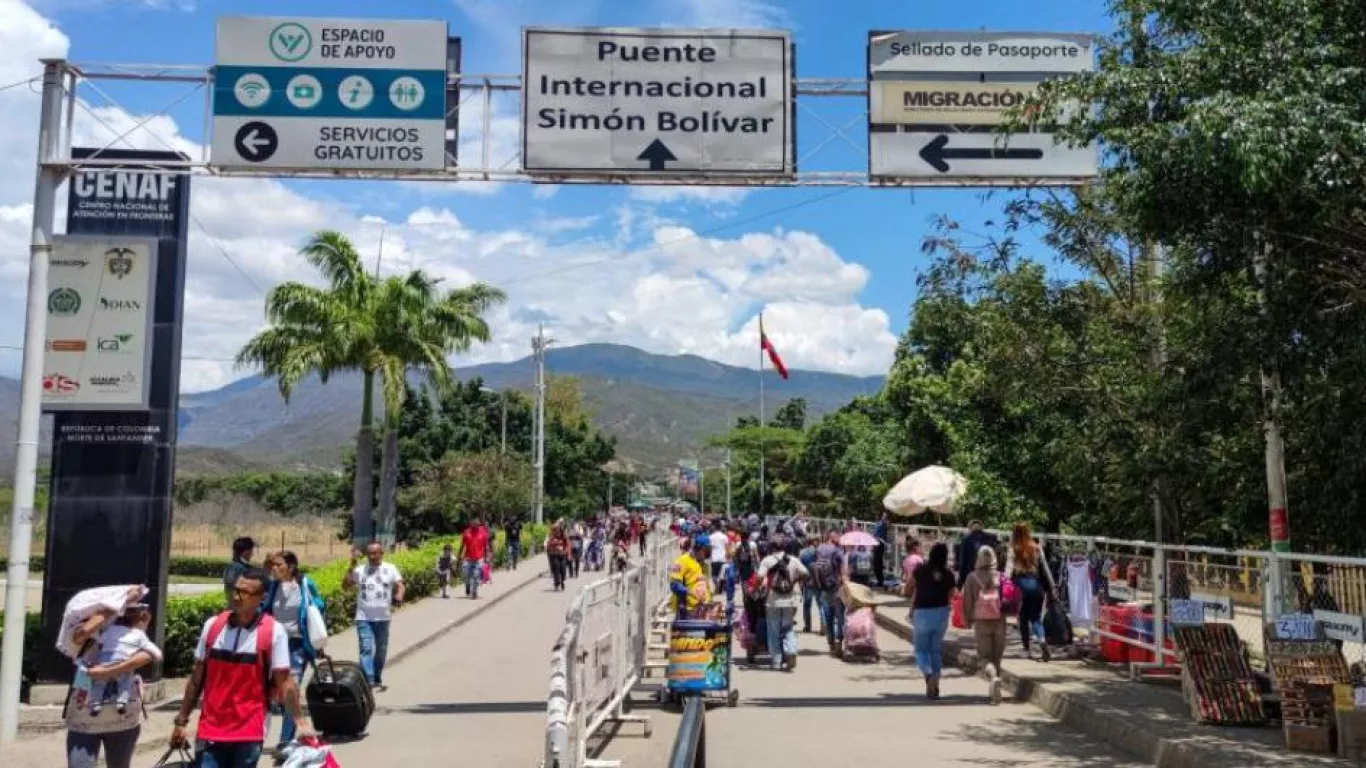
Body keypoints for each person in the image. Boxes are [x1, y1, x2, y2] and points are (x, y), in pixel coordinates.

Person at [171, 569, 310, 768]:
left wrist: (301, 722)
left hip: (250, 730)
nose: (237, 596)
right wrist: (181, 721)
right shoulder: (213, 626)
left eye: (245, 593)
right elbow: (197, 678)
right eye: (236, 590)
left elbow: (284, 682)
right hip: (211, 729)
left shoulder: (273, 632)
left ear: (261, 598)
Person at [65, 588, 159, 768]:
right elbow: (81, 635)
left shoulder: (132, 630)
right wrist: (117, 605)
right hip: (83, 720)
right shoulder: (85, 624)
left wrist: (107, 672)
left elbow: (147, 655)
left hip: (123, 721)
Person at [263, 551, 326, 752]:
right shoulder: (273, 587)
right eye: (273, 565)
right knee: (279, 693)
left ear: (290, 567)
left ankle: (285, 741)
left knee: (291, 690)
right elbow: (264, 610)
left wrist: (311, 607)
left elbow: (320, 606)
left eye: (279, 565)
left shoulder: (306, 584)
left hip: (298, 645)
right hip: (275, 646)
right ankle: (289, 729)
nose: (275, 569)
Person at [343, 542, 405, 690]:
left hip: (383, 617)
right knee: (366, 648)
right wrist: (352, 563)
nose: (372, 556)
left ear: (381, 553)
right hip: (364, 617)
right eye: (369, 553)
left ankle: (376, 675)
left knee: (381, 649)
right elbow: (345, 585)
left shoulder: (390, 569)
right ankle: (368, 679)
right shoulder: (360, 570)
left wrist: (399, 595)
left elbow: (400, 585)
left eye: (375, 553)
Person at [961, 545, 1007, 705]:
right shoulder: (1001, 577)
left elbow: (967, 601)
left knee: (984, 658)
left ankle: (993, 678)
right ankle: (996, 691)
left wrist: (967, 619)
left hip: (981, 622)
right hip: (1000, 621)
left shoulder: (972, 578)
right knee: (997, 657)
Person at [911, 542, 956, 699]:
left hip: (922, 613)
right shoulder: (949, 574)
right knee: (935, 650)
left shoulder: (921, 570)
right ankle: (935, 683)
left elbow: (911, 587)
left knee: (920, 650)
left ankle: (929, 675)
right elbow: (952, 594)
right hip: (941, 613)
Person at [1007, 522, 1056, 661]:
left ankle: (1026, 649)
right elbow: (1045, 569)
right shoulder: (1037, 547)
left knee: (1023, 618)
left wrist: (1004, 585)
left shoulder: (1013, 548)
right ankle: (1042, 640)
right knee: (1035, 617)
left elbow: (1008, 570)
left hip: (1021, 587)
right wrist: (1052, 586)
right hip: (1037, 586)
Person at [757, 543, 809, 671]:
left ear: (772, 548)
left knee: (773, 631)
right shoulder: (793, 560)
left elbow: (759, 577)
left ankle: (776, 661)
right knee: (788, 628)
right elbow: (806, 573)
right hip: (790, 600)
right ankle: (791, 651)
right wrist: (794, 582)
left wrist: (759, 587)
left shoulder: (767, 561)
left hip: (772, 600)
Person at [812, 530, 847, 656]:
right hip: (836, 588)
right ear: (833, 537)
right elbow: (843, 570)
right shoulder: (838, 551)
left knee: (829, 617)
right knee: (839, 617)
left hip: (824, 588)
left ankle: (831, 644)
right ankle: (839, 641)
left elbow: (815, 566)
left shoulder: (819, 549)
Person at [669, 535, 712, 619]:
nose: (708, 553)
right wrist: (691, 593)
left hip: (702, 609)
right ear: (700, 549)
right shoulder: (683, 561)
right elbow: (674, 585)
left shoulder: (705, 565)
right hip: (686, 610)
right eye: (706, 550)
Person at [956, 521, 999, 589]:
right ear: (981, 528)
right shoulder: (991, 539)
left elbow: (962, 562)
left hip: (971, 577)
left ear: (970, 529)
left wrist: (960, 583)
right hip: (988, 577)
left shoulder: (966, 540)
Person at [457, 517, 490, 600]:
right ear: (471, 522)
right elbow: (462, 546)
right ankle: (467, 585)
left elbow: (486, 546)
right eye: (473, 522)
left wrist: (488, 557)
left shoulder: (483, 532)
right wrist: (459, 556)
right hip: (468, 558)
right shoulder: (466, 532)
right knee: (466, 575)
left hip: (479, 558)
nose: (475, 523)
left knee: (476, 575)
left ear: (478, 522)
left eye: (477, 522)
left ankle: (474, 591)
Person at [797, 535, 822, 634]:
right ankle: (823, 625)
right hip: (819, 582)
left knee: (807, 605)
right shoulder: (821, 552)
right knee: (820, 605)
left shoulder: (803, 553)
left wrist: (800, 582)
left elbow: (800, 569)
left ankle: (807, 626)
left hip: (807, 582)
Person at [222, 536, 255, 604]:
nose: (252, 554)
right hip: (242, 607)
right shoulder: (241, 568)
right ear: (246, 551)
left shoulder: (230, 567)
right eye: (251, 550)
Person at [546, 523, 571, 590]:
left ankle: (562, 581)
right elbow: (548, 546)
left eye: (557, 529)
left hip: (562, 555)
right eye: (555, 530)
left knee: (563, 569)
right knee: (556, 569)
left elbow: (568, 545)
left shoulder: (564, 536)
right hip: (554, 555)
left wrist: (568, 554)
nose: (556, 531)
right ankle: (557, 583)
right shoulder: (551, 536)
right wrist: (553, 547)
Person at [707, 522, 729, 593]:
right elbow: (727, 548)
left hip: (714, 558)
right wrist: (728, 557)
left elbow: (710, 548)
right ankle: (720, 589)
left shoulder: (711, 537)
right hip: (723, 558)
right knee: (722, 575)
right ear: (721, 528)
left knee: (714, 575)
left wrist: (710, 557)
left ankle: (717, 586)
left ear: (715, 528)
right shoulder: (724, 537)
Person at [872, 513, 890, 588]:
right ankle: (880, 581)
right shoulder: (878, 524)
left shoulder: (882, 524)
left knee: (877, 564)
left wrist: (884, 517)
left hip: (880, 544)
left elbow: (886, 524)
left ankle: (880, 581)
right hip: (877, 544)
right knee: (877, 564)